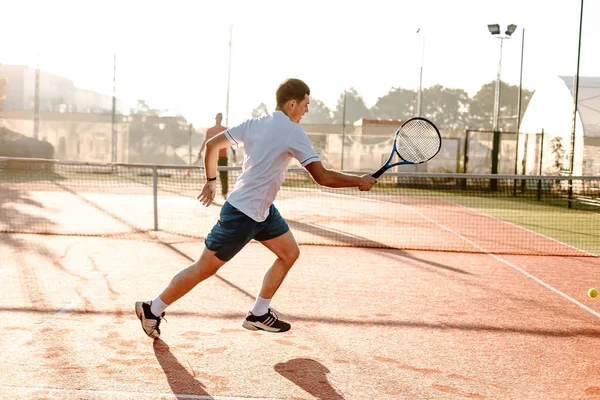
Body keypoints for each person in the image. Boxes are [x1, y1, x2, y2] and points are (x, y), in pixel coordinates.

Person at [135, 78, 377, 339]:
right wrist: (359, 180)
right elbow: (323, 177)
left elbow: (212, 145)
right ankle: (153, 308)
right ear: (293, 103)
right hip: (242, 213)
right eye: (306, 104)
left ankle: (258, 314)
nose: (307, 110)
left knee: (289, 253)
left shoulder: (254, 123)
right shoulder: (293, 132)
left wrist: (211, 181)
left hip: (262, 210)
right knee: (204, 268)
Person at [187, 112, 236, 199]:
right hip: (211, 156)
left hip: (223, 157)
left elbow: (231, 143)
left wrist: (234, 154)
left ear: (222, 119)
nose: (219, 118)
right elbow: (206, 142)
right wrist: (200, 152)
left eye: (221, 117)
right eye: (218, 117)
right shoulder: (210, 130)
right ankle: (209, 193)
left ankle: (224, 194)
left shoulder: (225, 129)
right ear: (215, 118)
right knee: (210, 176)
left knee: (224, 176)